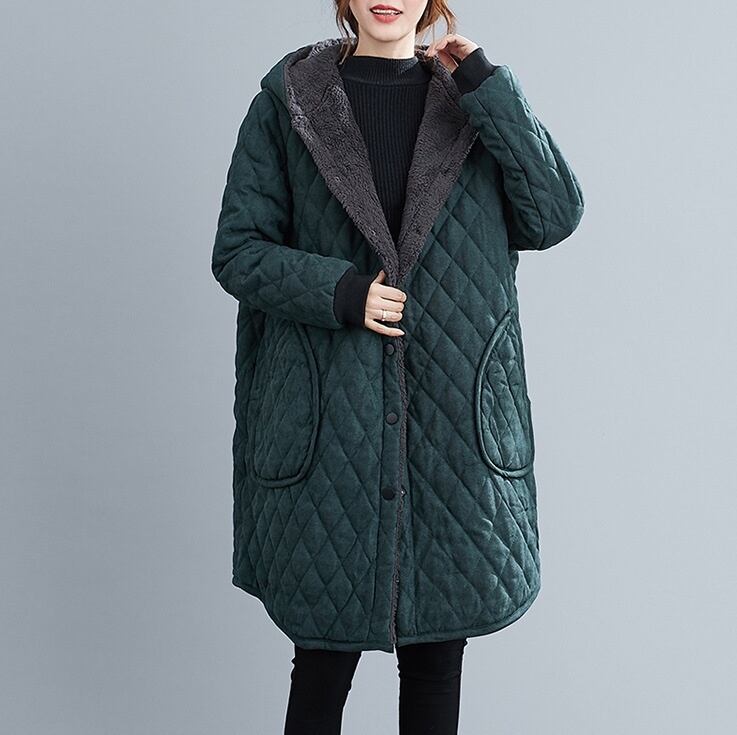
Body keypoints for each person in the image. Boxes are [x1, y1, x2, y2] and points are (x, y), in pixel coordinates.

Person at [211, 2, 585, 733]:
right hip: (332, 423)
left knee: (437, 661)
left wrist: (488, 85)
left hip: (450, 424)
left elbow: (553, 215)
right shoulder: (289, 102)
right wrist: (340, 292)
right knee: (321, 663)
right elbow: (238, 250)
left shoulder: (471, 99)